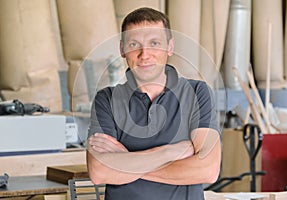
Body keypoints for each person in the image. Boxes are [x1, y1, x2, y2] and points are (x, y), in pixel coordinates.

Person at [87, 7, 221, 200]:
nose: (144, 54)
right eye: (134, 44)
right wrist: (170, 152)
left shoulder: (196, 93)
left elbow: (207, 170)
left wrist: (124, 162)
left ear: (170, 47)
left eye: (155, 43)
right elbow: (100, 172)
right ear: (122, 49)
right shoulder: (106, 100)